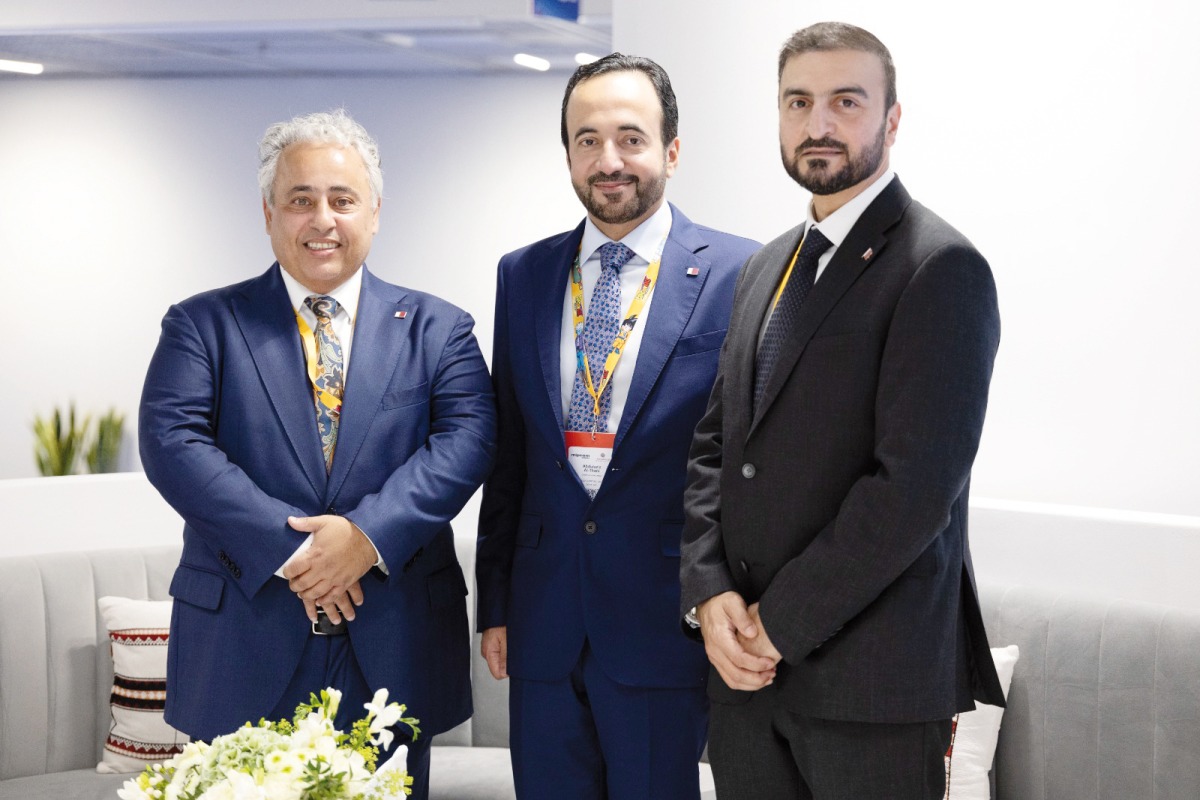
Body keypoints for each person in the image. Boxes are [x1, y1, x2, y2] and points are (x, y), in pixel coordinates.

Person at [679, 22, 1006, 800]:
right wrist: (709, 591)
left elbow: (912, 490)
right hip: (747, 685)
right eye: (798, 102)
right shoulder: (764, 267)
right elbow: (715, 447)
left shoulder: (940, 266)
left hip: (871, 685)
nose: (817, 124)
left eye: (845, 102)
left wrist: (775, 626)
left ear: (892, 120)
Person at [138, 109, 496, 800]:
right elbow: (172, 443)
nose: (322, 218)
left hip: (393, 637)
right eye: (300, 200)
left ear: (376, 211)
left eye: (341, 199)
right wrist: (299, 552)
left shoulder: (439, 329)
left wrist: (365, 538)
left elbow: (467, 441)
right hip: (243, 635)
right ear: (268, 213)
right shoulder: (203, 325)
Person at [475, 53, 759, 800]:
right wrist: (497, 602)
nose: (609, 160)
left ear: (671, 149)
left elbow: (748, 460)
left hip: (665, 619)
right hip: (543, 621)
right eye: (587, 139)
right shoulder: (523, 274)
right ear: (567, 152)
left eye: (630, 138)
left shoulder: (743, 272)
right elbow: (512, 453)